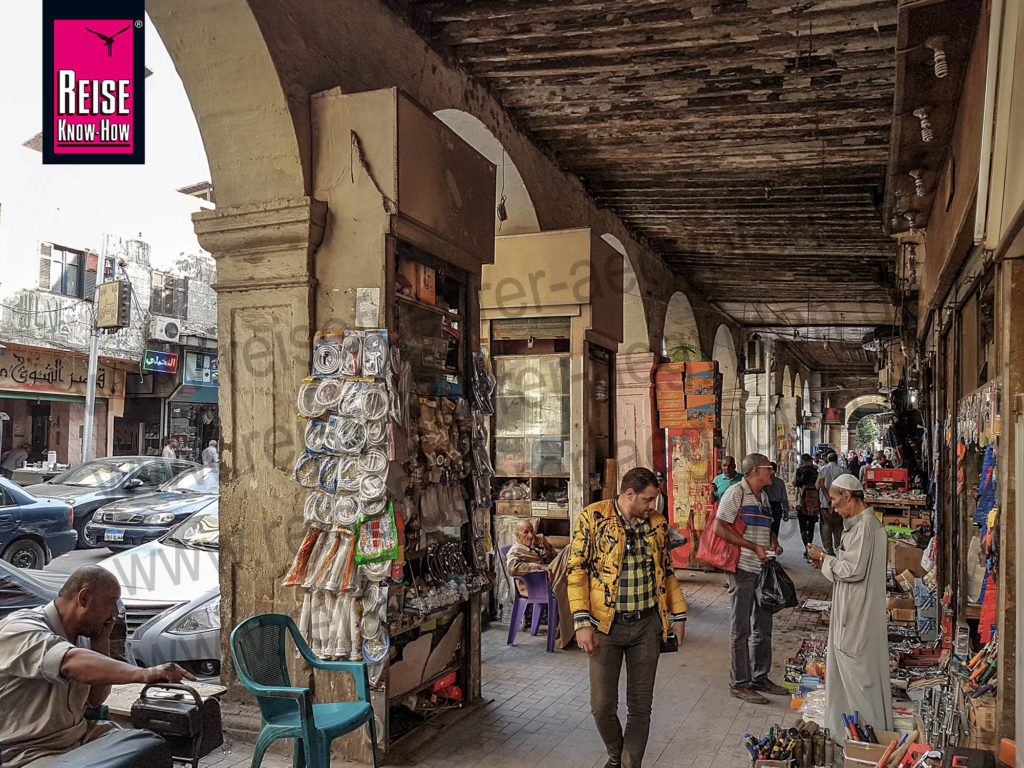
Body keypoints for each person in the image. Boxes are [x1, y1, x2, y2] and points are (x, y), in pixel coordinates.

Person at [0, 565, 195, 767]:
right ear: (84, 599)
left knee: (151, 748)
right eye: (111, 603)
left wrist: (101, 643)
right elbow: (69, 661)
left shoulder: (85, 636)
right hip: (27, 751)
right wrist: (144, 673)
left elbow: (95, 700)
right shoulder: (20, 628)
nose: (115, 613)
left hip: (79, 737)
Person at [568, 467, 688, 768]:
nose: (653, 507)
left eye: (655, 501)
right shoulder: (592, 518)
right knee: (601, 706)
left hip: (647, 627)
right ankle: (615, 755)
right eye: (648, 500)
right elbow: (576, 571)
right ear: (629, 494)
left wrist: (679, 614)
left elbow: (667, 572)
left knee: (640, 708)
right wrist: (581, 622)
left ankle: (628, 763)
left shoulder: (657, 525)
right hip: (604, 627)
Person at [807, 475, 892, 745]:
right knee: (849, 674)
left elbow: (852, 570)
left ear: (848, 496)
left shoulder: (867, 527)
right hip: (854, 608)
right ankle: (852, 737)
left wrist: (824, 557)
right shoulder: (859, 526)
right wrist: (826, 562)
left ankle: (868, 740)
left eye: (834, 499)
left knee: (859, 677)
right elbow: (847, 566)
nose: (832, 506)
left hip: (857, 614)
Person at [713, 453, 786, 704]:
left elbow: (764, 527)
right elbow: (719, 527)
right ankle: (739, 683)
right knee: (740, 628)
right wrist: (752, 546)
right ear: (755, 470)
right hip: (742, 568)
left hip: (762, 568)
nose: (772, 471)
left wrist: (772, 542)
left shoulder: (763, 496)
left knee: (763, 627)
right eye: (768, 467)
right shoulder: (736, 493)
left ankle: (759, 676)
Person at [507, 519, 574, 647]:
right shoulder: (516, 550)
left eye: (532, 531)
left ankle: (569, 634)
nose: (531, 535)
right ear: (517, 535)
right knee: (570, 549)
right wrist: (538, 567)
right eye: (526, 532)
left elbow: (554, 559)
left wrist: (546, 545)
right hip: (536, 586)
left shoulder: (532, 548)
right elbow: (512, 568)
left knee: (571, 584)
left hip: (547, 580)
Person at [816, 452, 845, 555]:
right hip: (839, 504)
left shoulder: (821, 470)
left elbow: (819, 486)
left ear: (827, 460)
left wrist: (828, 500)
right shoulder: (842, 470)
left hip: (824, 504)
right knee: (838, 527)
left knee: (825, 527)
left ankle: (828, 551)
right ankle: (839, 550)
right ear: (836, 459)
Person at [793, 454, 821, 561]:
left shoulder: (800, 471)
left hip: (802, 501)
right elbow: (819, 485)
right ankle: (809, 547)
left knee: (803, 527)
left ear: (803, 461)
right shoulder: (816, 471)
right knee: (811, 527)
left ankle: (807, 548)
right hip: (814, 503)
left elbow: (798, 483)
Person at [764, 462, 789, 539]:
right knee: (775, 528)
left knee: (766, 529)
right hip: (776, 507)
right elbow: (784, 498)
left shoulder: (763, 482)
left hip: (766, 506)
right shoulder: (780, 482)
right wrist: (786, 512)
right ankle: (774, 546)